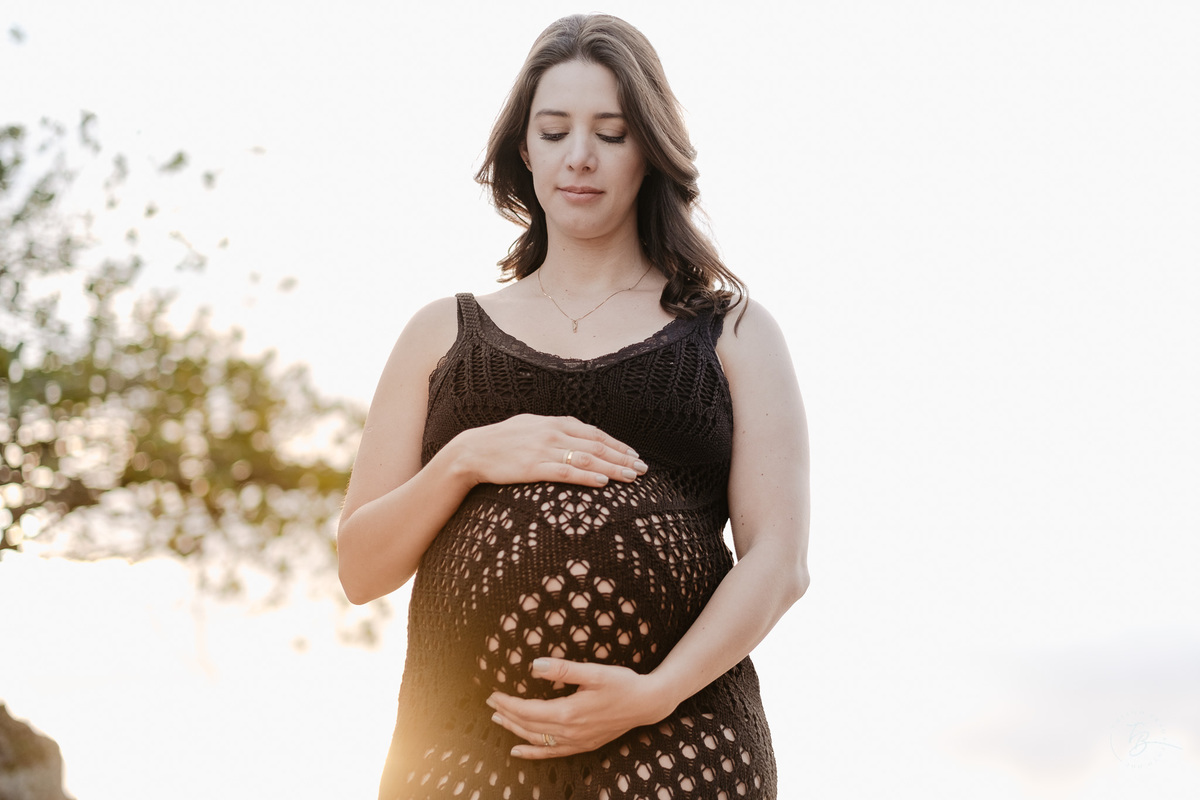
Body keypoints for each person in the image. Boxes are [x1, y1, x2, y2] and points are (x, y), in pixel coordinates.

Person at [337, 13, 810, 800]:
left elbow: (779, 563)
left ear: (649, 150)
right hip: (461, 752)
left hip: (681, 750)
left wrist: (655, 693)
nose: (580, 157)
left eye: (612, 133)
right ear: (525, 149)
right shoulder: (439, 334)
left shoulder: (734, 331)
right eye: (554, 131)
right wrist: (466, 459)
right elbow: (360, 568)